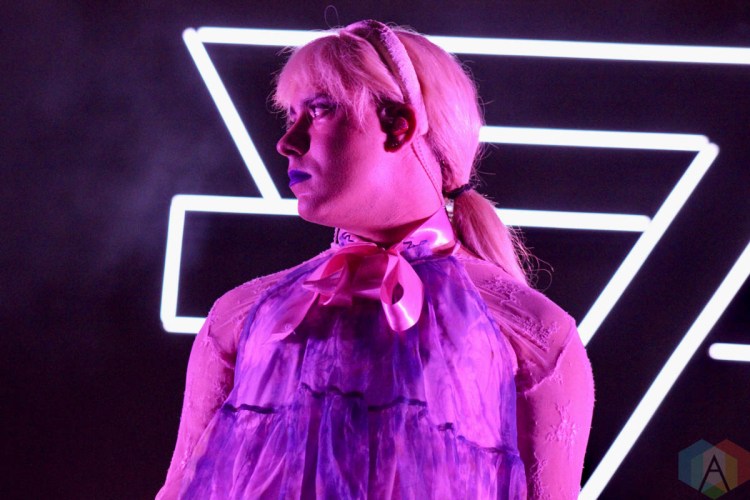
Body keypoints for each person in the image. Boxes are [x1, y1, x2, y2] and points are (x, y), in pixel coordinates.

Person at [157, 20, 594, 499]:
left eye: (319, 110)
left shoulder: (535, 336)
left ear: (399, 125)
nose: (287, 141)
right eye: (290, 115)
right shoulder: (239, 319)